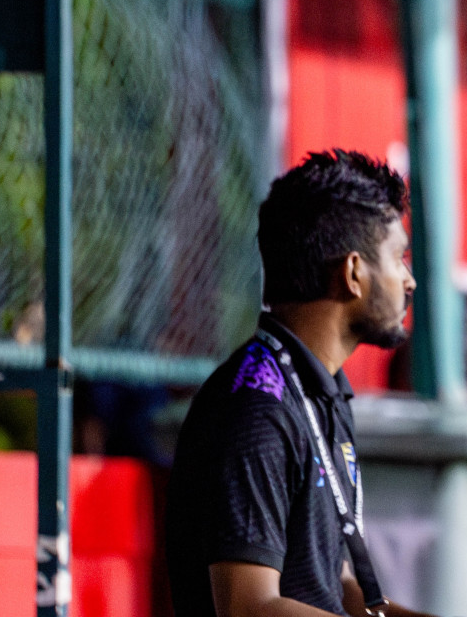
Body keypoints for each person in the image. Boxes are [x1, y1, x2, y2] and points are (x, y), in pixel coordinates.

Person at [166, 150, 434, 617]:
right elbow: (247, 606)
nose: (409, 280)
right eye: (398, 258)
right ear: (353, 274)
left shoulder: (320, 392)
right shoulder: (256, 409)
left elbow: (333, 584)